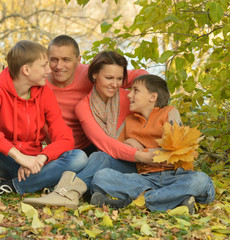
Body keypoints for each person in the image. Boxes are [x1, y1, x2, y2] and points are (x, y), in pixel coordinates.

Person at [23, 51, 156, 209]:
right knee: (98, 159)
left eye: (119, 79)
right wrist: (135, 151)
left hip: (146, 163)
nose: (115, 84)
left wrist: (139, 145)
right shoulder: (83, 107)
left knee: (99, 159)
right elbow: (104, 142)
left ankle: (65, 192)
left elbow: (154, 125)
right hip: (118, 163)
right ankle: (84, 194)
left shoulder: (130, 99)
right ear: (94, 76)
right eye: (109, 78)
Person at [0, 40, 88, 197]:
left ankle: (7, 186)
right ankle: (40, 182)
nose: (49, 70)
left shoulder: (44, 93)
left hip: (32, 164)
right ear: (26, 70)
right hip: (3, 157)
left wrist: (40, 159)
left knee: (79, 157)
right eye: (44, 65)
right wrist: (19, 157)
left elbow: (65, 137)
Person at [89, 74, 215, 214]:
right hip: (145, 180)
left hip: (176, 176)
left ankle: (132, 203)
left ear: (152, 97)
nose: (129, 95)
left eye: (136, 90)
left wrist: (142, 152)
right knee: (101, 176)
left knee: (200, 180)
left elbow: (177, 151)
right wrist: (128, 142)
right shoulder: (129, 121)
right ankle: (175, 201)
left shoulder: (170, 112)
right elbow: (112, 148)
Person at [45, 35, 148, 156]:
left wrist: (148, 98)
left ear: (78, 60)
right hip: (59, 150)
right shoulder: (39, 83)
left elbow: (139, 76)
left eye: (66, 60)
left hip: (90, 145)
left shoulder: (92, 74)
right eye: (54, 59)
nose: (59, 66)